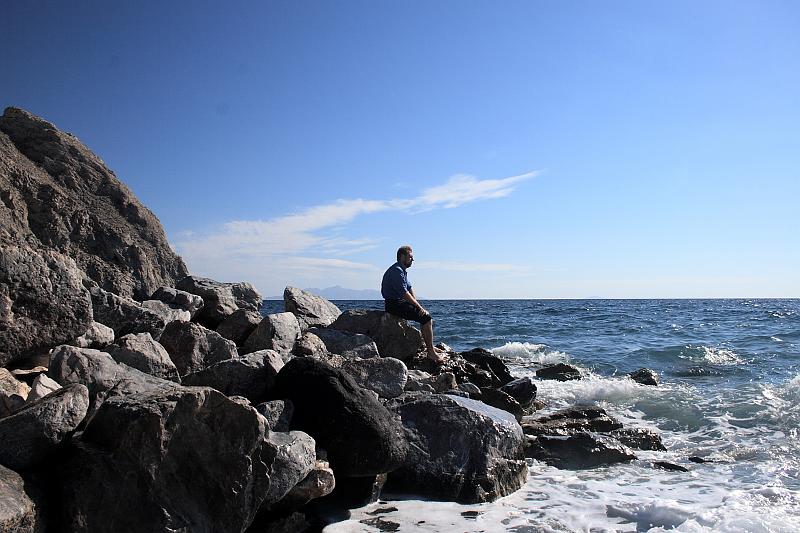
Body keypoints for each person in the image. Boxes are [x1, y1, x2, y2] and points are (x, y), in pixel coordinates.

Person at [381, 245, 445, 363]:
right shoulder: (396, 271)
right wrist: (419, 307)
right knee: (426, 318)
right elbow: (404, 293)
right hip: (393, 304)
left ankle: (430, 347)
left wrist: (417, 306)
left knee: (425, 317)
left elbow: (409, 288)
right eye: (410, 257)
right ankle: (431, 353)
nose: (412, 260)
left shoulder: (402, 270)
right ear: (402, 256)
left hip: (399, 302)